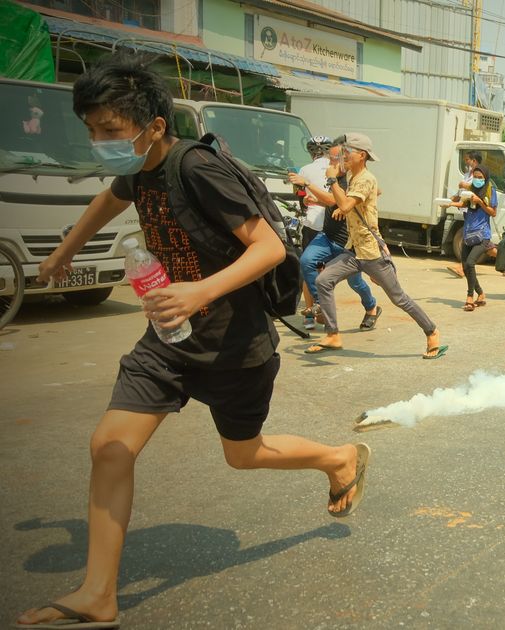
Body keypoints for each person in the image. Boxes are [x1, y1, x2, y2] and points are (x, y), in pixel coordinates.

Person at [17, 56, 373, 629]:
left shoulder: (197, 168)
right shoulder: (139, 168)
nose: (99, 141)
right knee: (109, 445)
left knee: (244, 454)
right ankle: (97, 594)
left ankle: (339, 457)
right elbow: (110, 198)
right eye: (92, 129)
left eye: (109, 130)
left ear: (154, 125)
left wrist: (197, 291)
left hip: (233, 343)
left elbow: (268, 250)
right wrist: (64, 251)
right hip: (167, 339)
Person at [309, 133, 447, 359]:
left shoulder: (365, 179)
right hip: (354, 250)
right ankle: (333, 334)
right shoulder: (354, 176)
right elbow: (346, 203)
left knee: (398, 298)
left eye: (347, 152)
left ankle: (432, 331)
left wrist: (332, 179)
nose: (343, 156)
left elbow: (344, 206)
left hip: (371, 253)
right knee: (323, 280)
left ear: (361, 155)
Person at [290, 142, 380, 332]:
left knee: (355, 282)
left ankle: (371, 307)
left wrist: (308, 184)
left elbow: (336, 200)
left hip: (347, 242)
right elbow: (332, 203)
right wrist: (316, 201)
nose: (329, 163)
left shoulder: (351, 179)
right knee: (306, 260)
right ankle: (321, 304)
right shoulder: (334, 177)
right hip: (327, 236)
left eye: (334, 158)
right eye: (329, 158)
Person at [292, 135, 331, 328]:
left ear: (311, 152)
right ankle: (325, 312)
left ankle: (309, 316)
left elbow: (299, 196)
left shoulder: (305, 170)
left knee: (309, 270)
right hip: (333, 225)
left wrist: (307, 199)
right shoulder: (336, 169)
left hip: (312, 224)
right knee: (327, 272)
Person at [447, 166, 497, 310]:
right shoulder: (471, 190)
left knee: (470, 263)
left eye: (480, 177)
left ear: (486, 177)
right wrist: (450, 203)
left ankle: (469, 297)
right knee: (465, 266)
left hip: (482, 235)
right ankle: (480, 294)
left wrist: (480, 202)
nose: (477, 179)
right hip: (468, 234)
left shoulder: (490, 191)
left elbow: (493, 212)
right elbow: (463, 204)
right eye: (475, 176)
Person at [443, 151, 483, 278]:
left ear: (474, 161)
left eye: (468, 160)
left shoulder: (479, 175)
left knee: (470, 240)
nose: (466, 162)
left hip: (474, 212)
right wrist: (450, 200)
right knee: (477, 242)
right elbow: (460, 194)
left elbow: (479, 187)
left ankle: (462, 267)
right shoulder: (467, 174)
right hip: (466, 211)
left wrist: (466, 185)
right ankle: (503, 260)